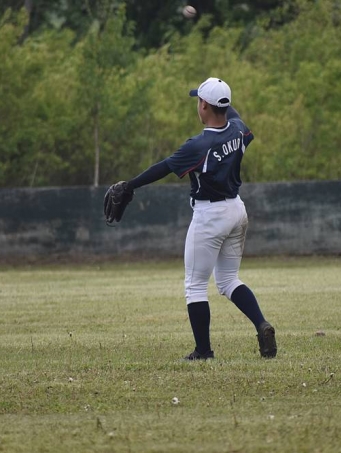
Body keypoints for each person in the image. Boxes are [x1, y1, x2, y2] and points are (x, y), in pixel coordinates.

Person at [117, 77, 276, 360]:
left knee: (195, 286)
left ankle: (203, 351)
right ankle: (261, 324)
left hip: (210, 216)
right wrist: (222, 98)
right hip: (236, 210)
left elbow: (164, 167)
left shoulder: (198, 145)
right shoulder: (238, 129)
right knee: (228, 280)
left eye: (199, 100)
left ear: (204, 105)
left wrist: (130, 185)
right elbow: (231, 113)